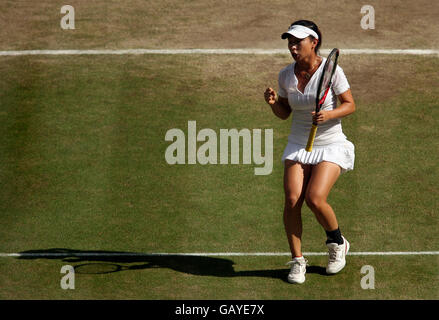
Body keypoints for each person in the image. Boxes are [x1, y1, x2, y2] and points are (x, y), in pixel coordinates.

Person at [264, 20, 356, 284]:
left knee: (315, 198)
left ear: (313, 42)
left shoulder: (332, 71)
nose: (292, 47)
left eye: (298, 42)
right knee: (293, 200)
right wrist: (273, 104)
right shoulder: (285, 75)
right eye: (290, 43)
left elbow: (350, 105)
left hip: (330, 143)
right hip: (298, 143)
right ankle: (297, 261)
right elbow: (284, 113)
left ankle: (337, 242)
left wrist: (329, 114)